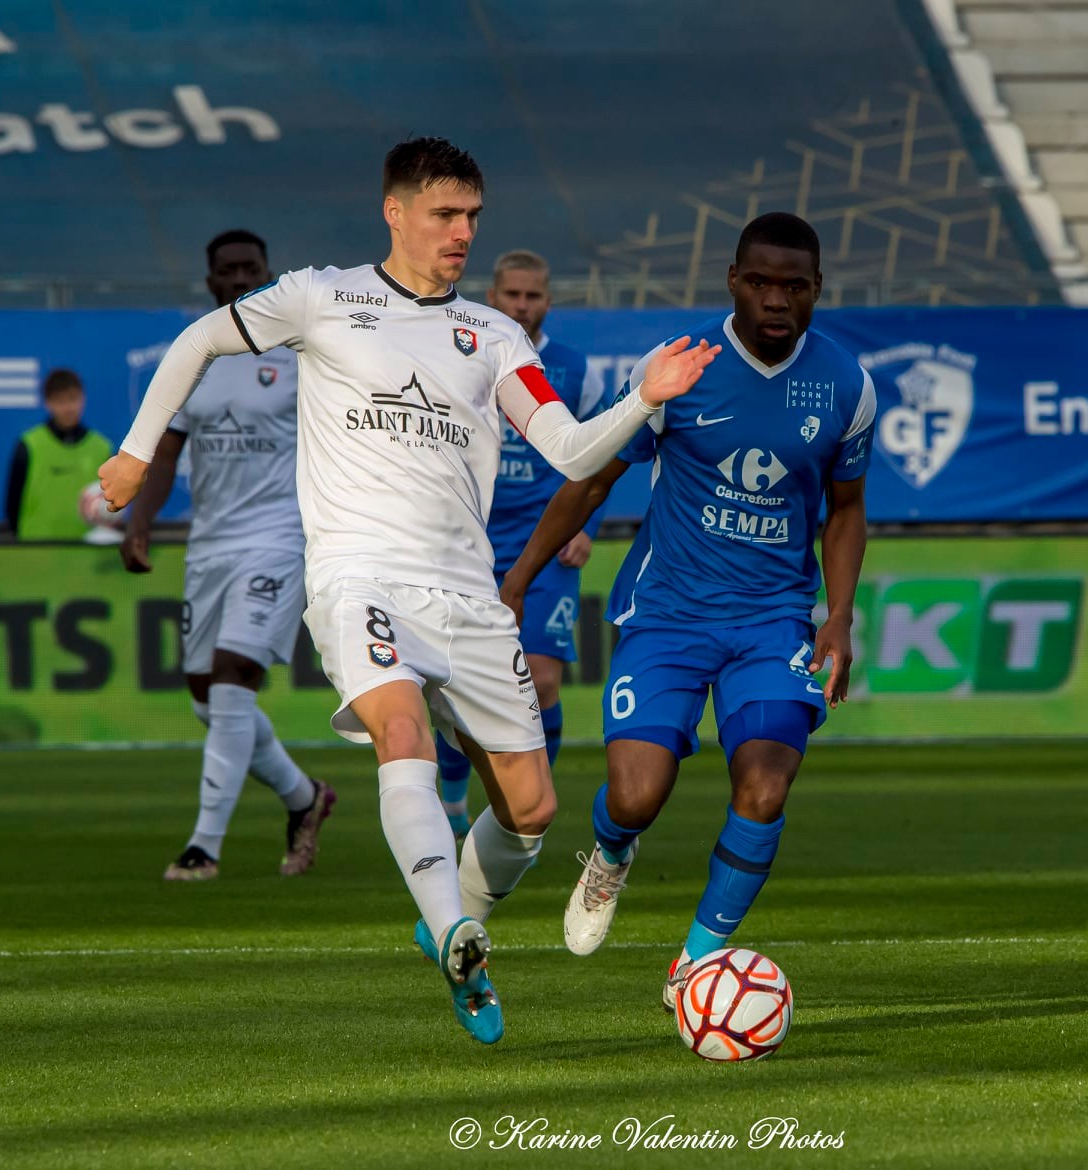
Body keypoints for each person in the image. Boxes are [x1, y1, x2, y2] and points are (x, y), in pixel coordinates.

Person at [96, 137, 718, 1044]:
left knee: (531, 812)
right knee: (401, 728)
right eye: (444, 215)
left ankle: (454, 929)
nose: (462, 233)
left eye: (472, 217)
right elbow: (199, 338)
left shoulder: (495, 336)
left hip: (466, 595)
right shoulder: (321, 296)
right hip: (357, 573)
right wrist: (135, 450)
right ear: (396, 213)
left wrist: (642, 397)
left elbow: (570, 452)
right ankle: (450, 923)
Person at [498, 212, 875, 1009]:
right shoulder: (678, 368)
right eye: (761, 283)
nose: (777, 300)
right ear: (733, 281)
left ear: (816, 291)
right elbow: (593, 475)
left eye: (794, 287)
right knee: (635, 796)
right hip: (666, 612)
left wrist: (836, 615)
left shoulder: (847, 384)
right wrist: (522, 576)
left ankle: (697, 962)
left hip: (774, 620)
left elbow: (845, 509)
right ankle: (608, 855)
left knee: (766, 786)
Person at [118, 229, 335, 883]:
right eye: (228, 271)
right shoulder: (197, 354)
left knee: (233, 680)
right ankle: (305, 798)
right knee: (206, 697)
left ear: (269, 274)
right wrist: (140, 523)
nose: (241, 278)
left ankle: (203, 847)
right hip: (209, 544)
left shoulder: (303, 354)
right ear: (211, 282)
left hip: (279, 537)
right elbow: (165, 449)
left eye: (252, 268)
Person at [433, 249, 610, 838]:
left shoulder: (577, 370)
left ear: (548, 301)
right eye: (512, 295)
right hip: (466, 543)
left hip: (546, 542)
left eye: (533, 296)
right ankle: (454, 798)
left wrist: (586, 525)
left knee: (541, 679)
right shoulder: (460, 352)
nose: (522, 306)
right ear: (494, 296)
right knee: (457, 683)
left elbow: (598, 456)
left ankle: (520, 811)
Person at [4, 369, 113, 541]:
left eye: (73, 399)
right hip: (37, 548)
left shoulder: (102, 447)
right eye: (60, 401)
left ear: (83, 398)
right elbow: (12, 505)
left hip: (87, 549)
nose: (68, 408)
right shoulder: (29, 445)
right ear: (48, 403)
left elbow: (115, 502)